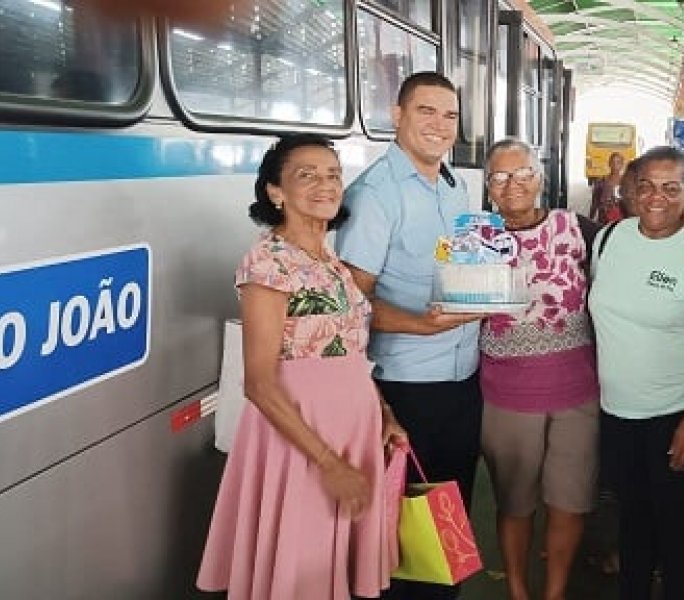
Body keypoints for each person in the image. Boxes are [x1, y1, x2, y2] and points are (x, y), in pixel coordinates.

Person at [198, 134, 405, 599]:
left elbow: (349, 351)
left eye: (333, 174)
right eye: (306, 175)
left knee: (330, 567)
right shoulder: (267, 263)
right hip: (302, 439)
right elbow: (259, 383)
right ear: (276, 191)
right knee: (301, 570)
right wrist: (329, 463)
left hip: (351, 430)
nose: (325, 184)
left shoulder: (329, 260)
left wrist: (384, 413)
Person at [335, 71, 484, 600]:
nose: (439, 125)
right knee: (401, 534)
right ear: (397, 116)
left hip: (462, 382)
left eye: (450, 115)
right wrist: (420, 324)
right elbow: (351, 305)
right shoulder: (375, 195)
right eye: (426, 111)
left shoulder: (455, 186)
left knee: (449, 522)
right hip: (406, 387)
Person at [589, 146, 684, 600]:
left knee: (677, 532)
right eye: (647, 186)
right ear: (631, 190)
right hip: (616, 413)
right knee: (632, 523)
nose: (657, 197)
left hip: (674, 416)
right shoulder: (609, 239)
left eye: (671, 188)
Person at [478, 138, 601, 600]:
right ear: (488, 185)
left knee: (569, 501)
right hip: (506, 394)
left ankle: (554, 593)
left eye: (523, 173)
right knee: (515, 502)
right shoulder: (476, 239)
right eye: (500, 176)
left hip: (577, 391)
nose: (512, 185)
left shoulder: (578, 229)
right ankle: (517, 589)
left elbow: (630, 256)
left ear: (541, 176)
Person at [590, 151, 627, 224]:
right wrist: (590, 219)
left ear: (622, 164)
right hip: (604, 220)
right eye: (613, 162)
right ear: (609, 164)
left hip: (621, 221)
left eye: (618, 162)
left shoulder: (626, 182)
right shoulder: (601, 181)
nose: (615, 165)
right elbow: (594, 203)